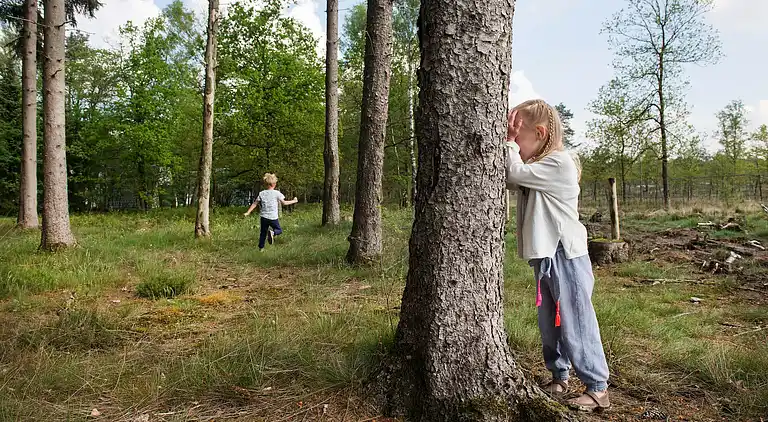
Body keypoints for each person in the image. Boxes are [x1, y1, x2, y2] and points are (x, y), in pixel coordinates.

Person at [505, 99, 610, 411]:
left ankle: (598, 386)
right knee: (550, 323)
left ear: (539, 132)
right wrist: (514, 143)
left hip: (566, 255)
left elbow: (513, 174)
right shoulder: (539, 166)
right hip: (547, 257)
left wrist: (508, 145)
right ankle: (560, 375)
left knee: (576, 321)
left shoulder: (558, 163)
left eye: (518, 136)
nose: (514, 142)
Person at [243, 173, 298, 251]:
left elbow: (255, 203)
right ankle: (273, 233)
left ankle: (261, 248)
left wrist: (248, 212)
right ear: (274, 184)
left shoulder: (261, 193)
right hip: (273, 217)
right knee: (279, 230)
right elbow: (284, 203)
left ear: (265, 184)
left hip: (264, 217)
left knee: (263, 233)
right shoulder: (277, 193)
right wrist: (294, 201)